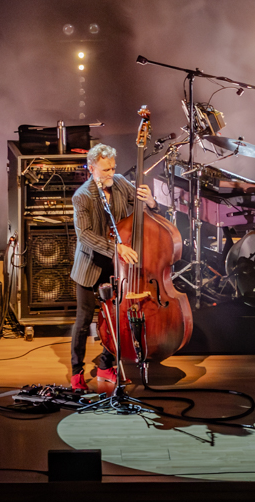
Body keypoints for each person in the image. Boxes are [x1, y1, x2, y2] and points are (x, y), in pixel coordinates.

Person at [68, 143, 159, 391]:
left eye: (113, 168)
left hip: (116, 268)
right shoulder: (82, 196)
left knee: (117, 319)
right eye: (105, 169)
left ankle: (105, 366)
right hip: (89, 265)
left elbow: (143, 210)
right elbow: (85, 235)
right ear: (91, 168)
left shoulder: (119, 182)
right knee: (84, 320)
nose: (111, 173)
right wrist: (115, 248)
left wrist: (150, 201)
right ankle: (76, 373)